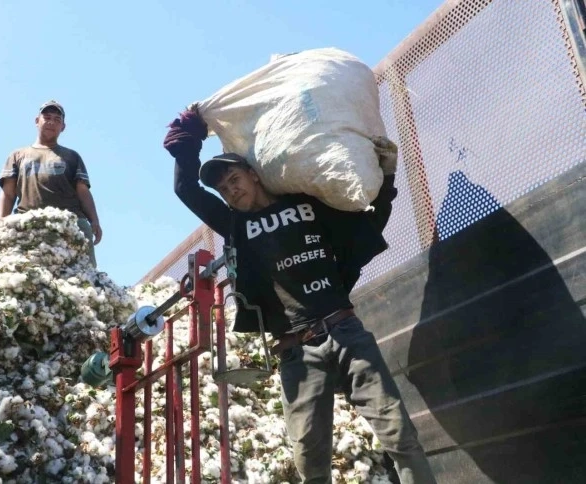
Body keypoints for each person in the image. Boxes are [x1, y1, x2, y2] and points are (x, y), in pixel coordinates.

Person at [163, 106, 436, 484]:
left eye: (234, 179)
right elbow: (186, 189)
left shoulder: (307, 204)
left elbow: (367, 219)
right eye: (224, 188)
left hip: (346, 333)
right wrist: (188, 140)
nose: (231, 190)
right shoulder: (234, 225)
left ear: (254, 176)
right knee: (311, 462)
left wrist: (387, 174)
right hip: (295, 352)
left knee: (400, 435)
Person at [0, 100, 102, 266]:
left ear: (63, 127)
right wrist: (1, 222)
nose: (51, 122)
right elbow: (8, 193)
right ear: (37, 121)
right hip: (26, 222)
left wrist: (94, 221)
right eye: (47, 117)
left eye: (57, 120)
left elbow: (83, 191)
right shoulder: (18, 155)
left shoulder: (72, 157)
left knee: (84, 274)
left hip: (72, 222)